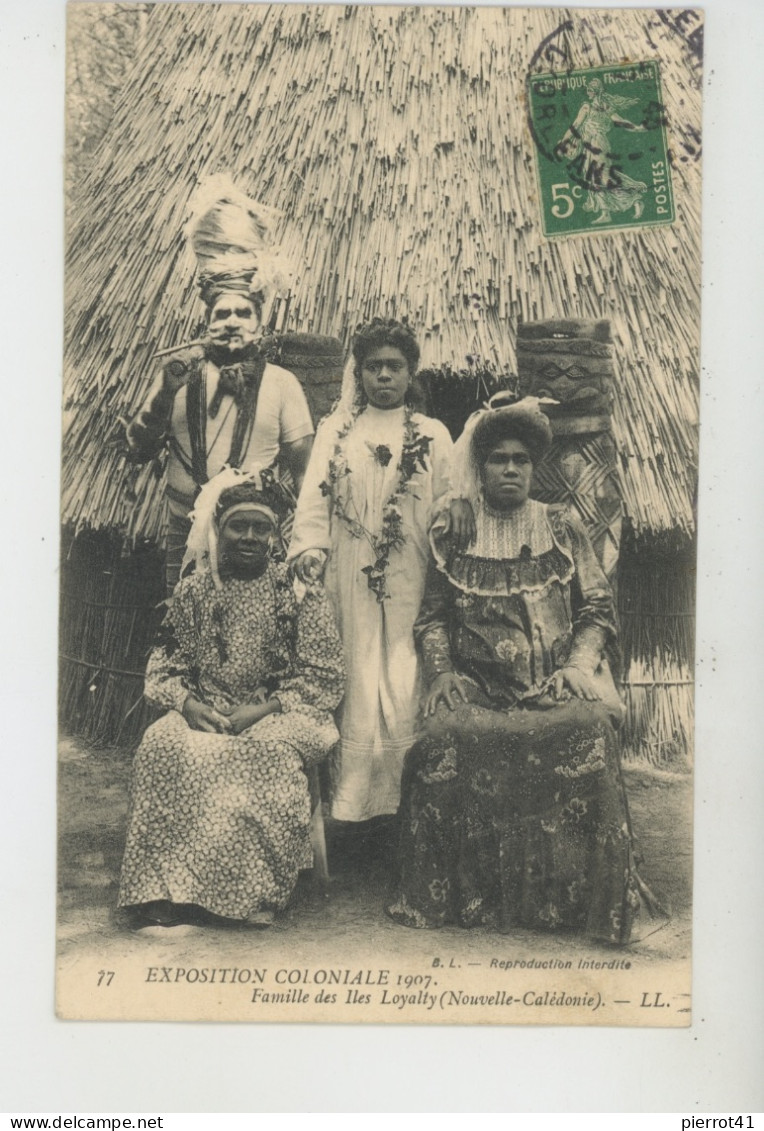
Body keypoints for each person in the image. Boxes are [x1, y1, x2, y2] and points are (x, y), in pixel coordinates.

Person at [387, 396, 655, 944]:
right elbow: (432, 618)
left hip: (552, 686)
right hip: (478, 689)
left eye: (521, 461)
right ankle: (459, 899)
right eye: (498, 459)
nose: (510, 469)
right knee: (443, 738)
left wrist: (580, 666)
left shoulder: (561, 525)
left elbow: (597, 609)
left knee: (589, 733)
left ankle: (574, 903)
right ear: (479, 468)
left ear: (534, 468)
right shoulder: (453, 533)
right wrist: (441, 675)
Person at [118, 467, 345, 929]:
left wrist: (261, 710)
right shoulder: (195, 590)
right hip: (206, 706)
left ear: (273, 535)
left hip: (281, 708)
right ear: (217, 531)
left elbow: (323, 676)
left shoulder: (298, 592)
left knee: (264, 754)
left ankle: (246, 894)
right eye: (237, 526)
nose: (248, 537)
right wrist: (190, 705)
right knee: (161, 747)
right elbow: (165, 664)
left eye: (259, 527)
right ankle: (163, 891)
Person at [289, 318, 468, 826]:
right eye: (373, 367)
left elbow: (448, 501)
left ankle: (406, 810)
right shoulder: (337, 432)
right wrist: (309, 549)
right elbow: (312, 506)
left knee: (403, 671)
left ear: (411, 373)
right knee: (356, 672)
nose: (383, 377)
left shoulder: (432, 434)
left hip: (410, 571)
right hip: (348, 573)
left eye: (394, 367)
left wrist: (450, 511)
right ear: (359, 372)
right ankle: (353, 812)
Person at [126, 179, 314, 592]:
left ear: (258, 322)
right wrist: (163, 396)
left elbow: (305, 472)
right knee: (182, 633)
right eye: (222, 312)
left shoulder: (283, 384)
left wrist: (304, 540)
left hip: (254, 539)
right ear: (206, 321)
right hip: (183, 530)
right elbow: (137, 451)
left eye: (242, 313)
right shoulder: (175, 375)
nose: (231, 321)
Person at [555, 79, 648, 225]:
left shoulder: (602, 107)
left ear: (595, 91)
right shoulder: (593, 107)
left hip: (598, 144)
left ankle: (634, 200)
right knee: (595, 179)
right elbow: (576, 126)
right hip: (589, 145)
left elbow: (620, 121)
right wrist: (564, 141)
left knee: (602, 178)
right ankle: (608, 211)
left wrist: (636, 128)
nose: (587, 93)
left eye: (589, 90)